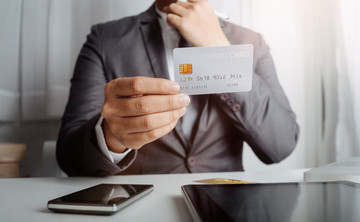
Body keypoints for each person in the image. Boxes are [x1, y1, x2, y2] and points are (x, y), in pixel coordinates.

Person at [56, 0, 299, 176]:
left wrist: (218, 47)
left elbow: (281, 146)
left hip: (228, 208)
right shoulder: (104, 39)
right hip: (138, 214)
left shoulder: (251, 42)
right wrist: (112, 137)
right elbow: (69, 157)